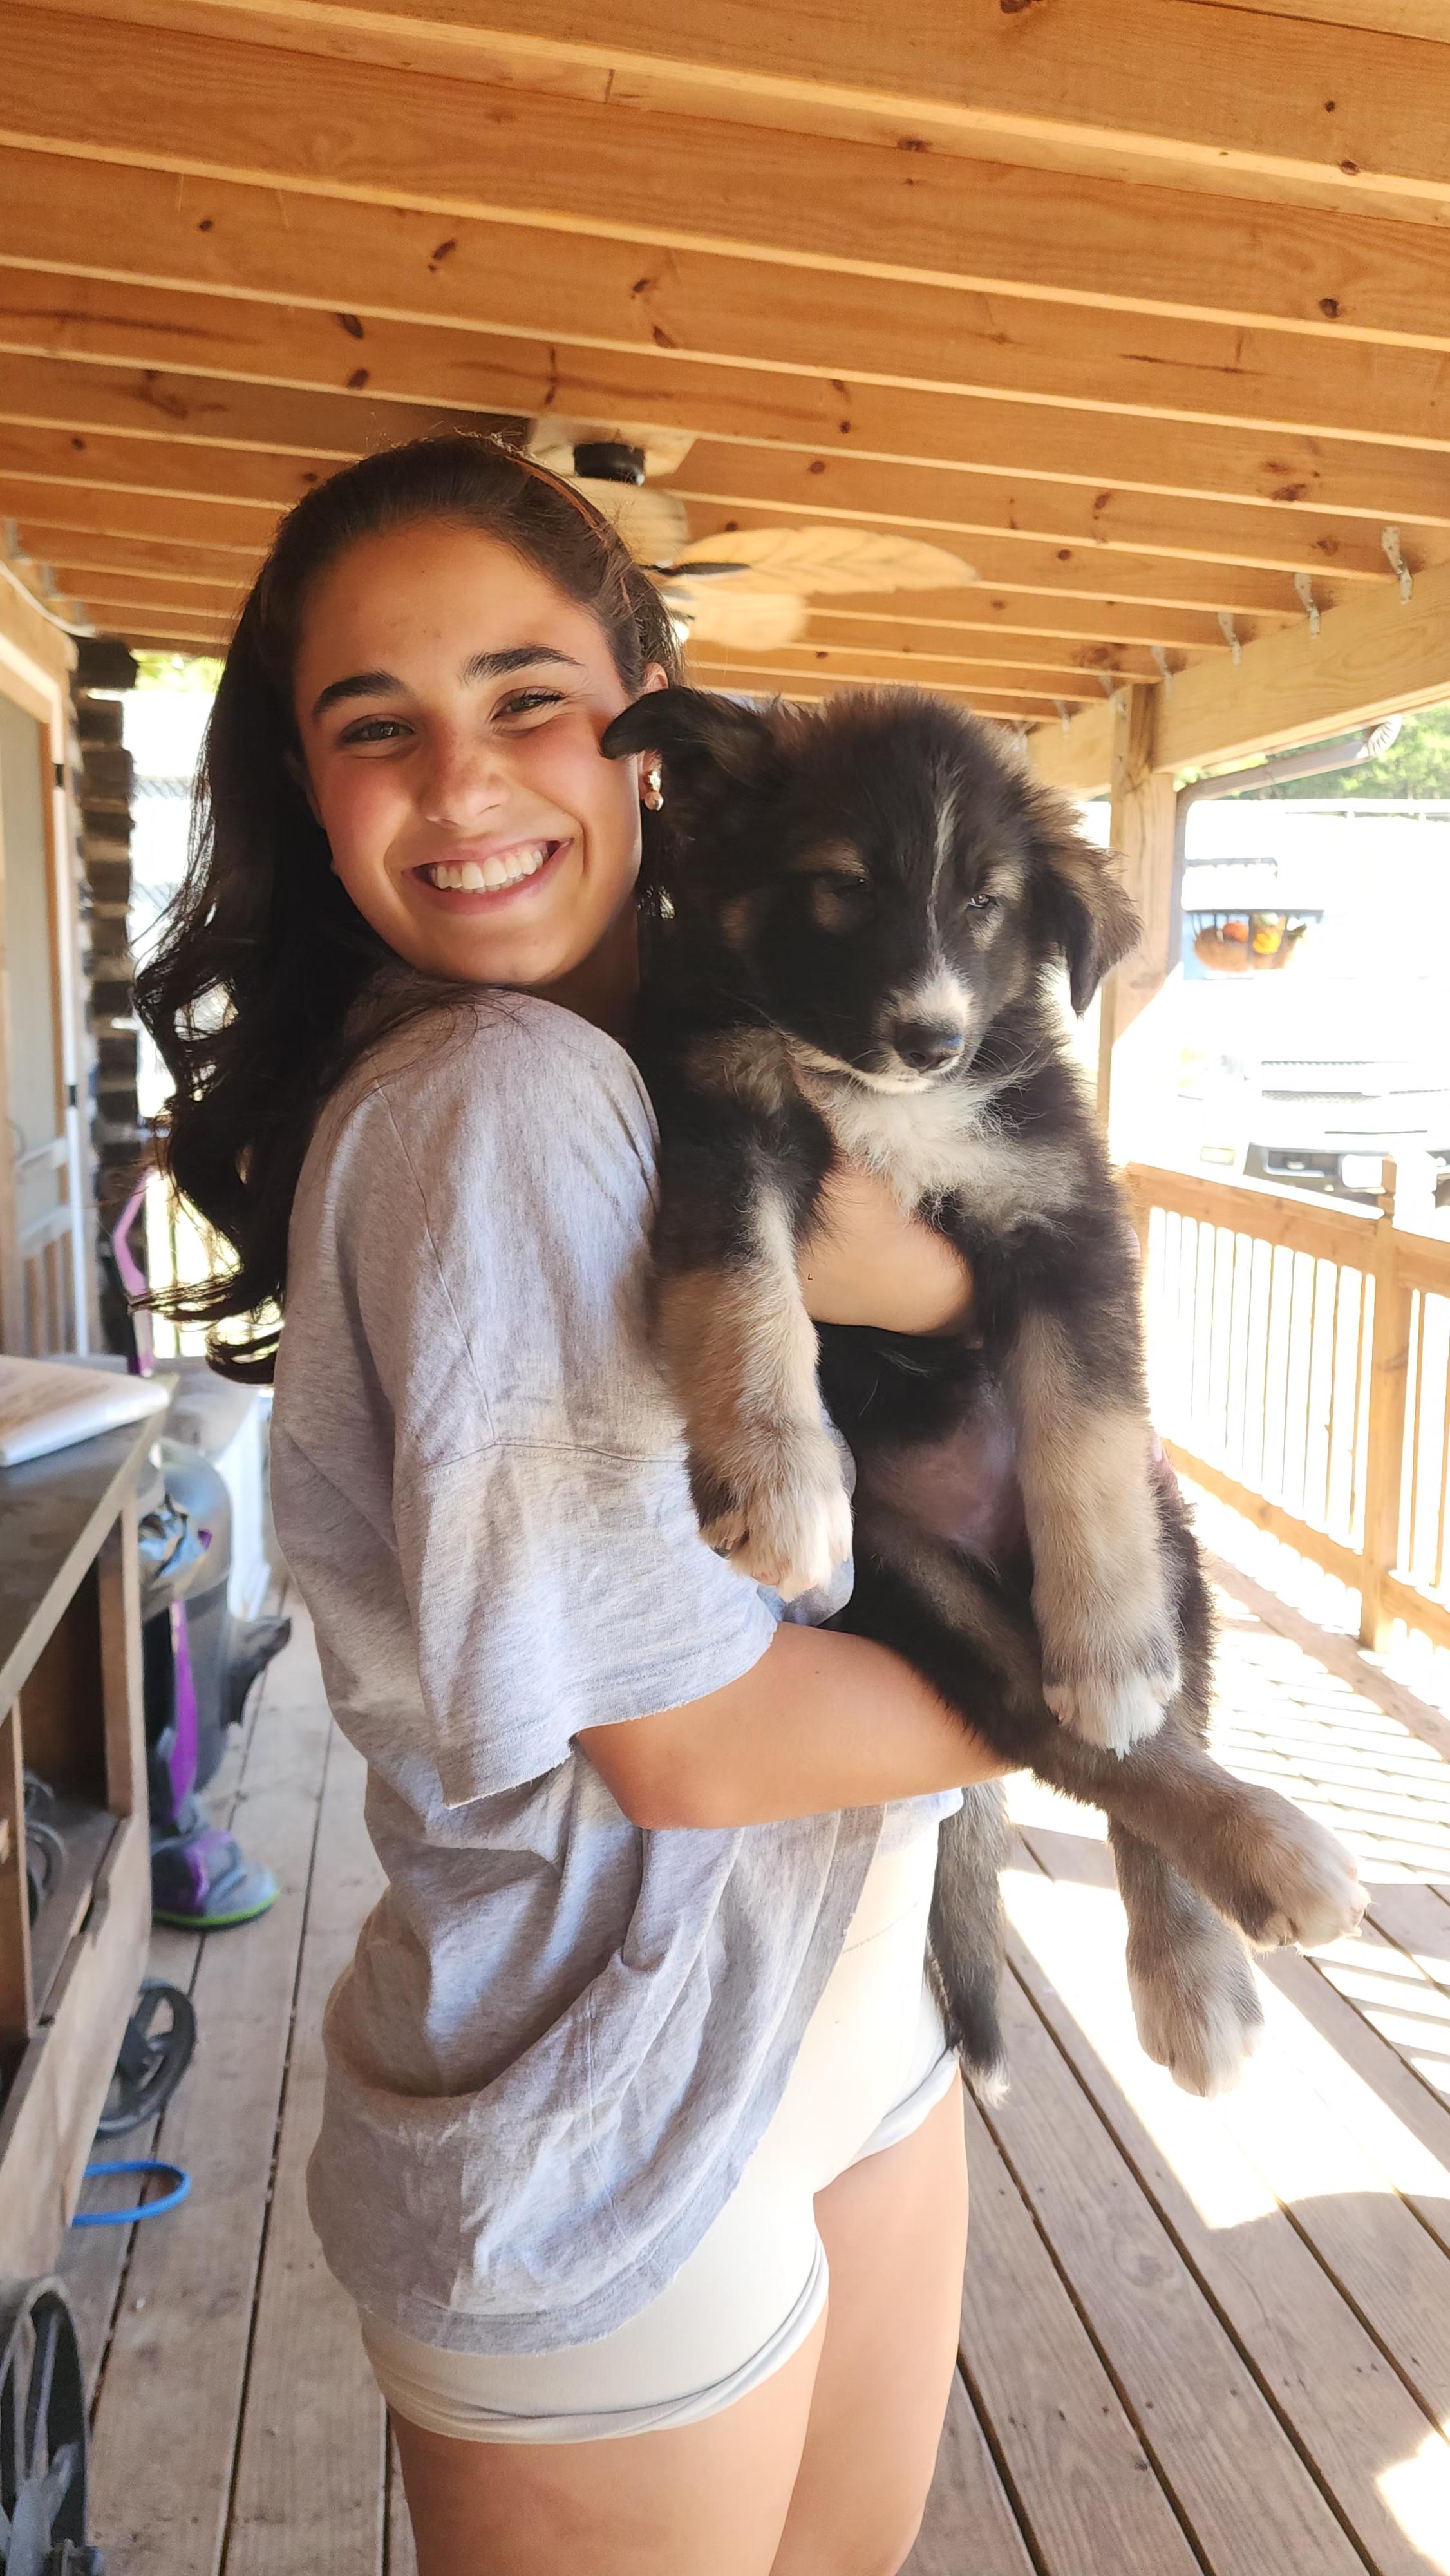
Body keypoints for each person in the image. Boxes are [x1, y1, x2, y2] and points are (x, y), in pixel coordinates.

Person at [137, 435, 1013, 2576]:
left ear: (647, 736)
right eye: (378, 728)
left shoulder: (686, 1060)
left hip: (833, 1988)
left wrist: (959, 1275)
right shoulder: (495, 1106)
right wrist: (1103, 1692)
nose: (462, 787)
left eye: (527, 698)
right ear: (309, 790)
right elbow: (692, 1744)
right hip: (610, 2100)